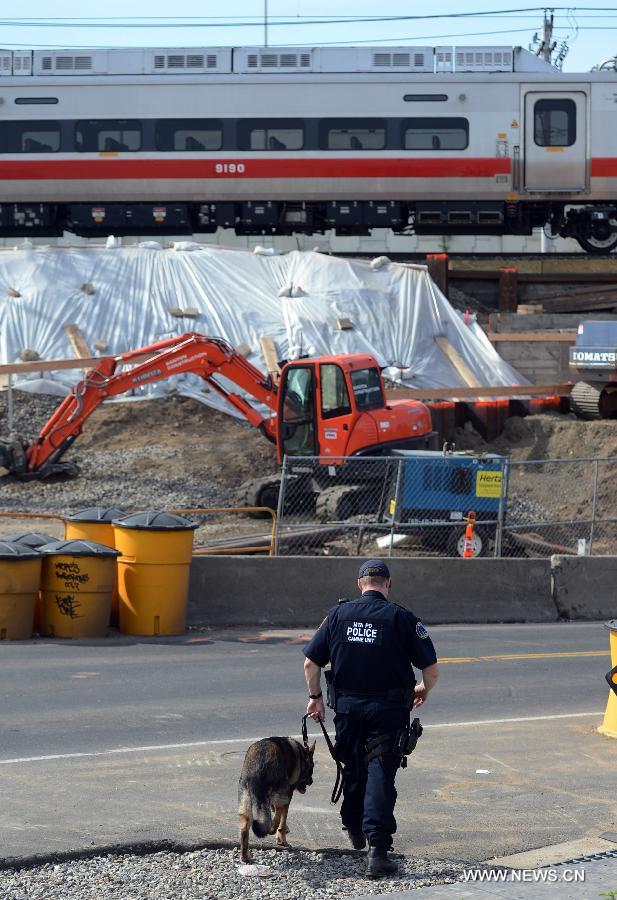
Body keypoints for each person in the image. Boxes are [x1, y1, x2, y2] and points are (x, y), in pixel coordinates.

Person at [303, 558, 439, 879]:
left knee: (353, 765)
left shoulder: (337, 616)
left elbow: (311, 664)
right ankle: (377, 850)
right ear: (387, 584)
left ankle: (353, 827)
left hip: (347, 711)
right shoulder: (402, 618)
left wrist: (315, 698)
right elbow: (431, 670)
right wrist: (423, 689)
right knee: (379, 771)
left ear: (359, 584)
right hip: (388, 711)